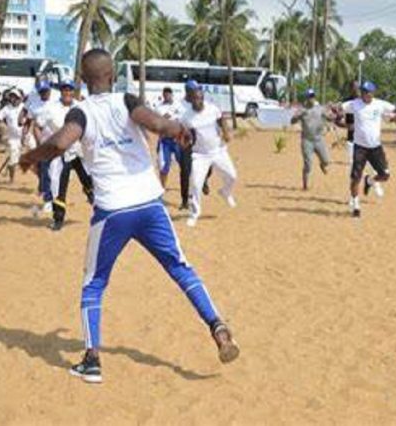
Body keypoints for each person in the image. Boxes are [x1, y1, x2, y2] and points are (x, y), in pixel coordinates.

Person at [19, 49, 239, 384]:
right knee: (181, 268)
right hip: (150, 203)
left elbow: (61, 144)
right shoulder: (126, 100)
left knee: (94, 284)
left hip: (113, 211)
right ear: (111, 76)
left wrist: (30, 156)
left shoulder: (81, 112)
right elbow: (158, 124)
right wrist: (177, 127)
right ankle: (217, 326)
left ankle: (92, 360)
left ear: (83, 77)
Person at [334, 81, 396, 218]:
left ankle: (370, 181)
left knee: (385, 175)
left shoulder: (380, 104)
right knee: (355, 178)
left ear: (373, 92)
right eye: (364, 92)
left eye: (369, 92)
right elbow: (337, 108)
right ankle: (355, 205)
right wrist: (338, 115)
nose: (366, 94)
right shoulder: (354, 104)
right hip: (359, 147)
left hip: (375, 148)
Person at [38, 80, 93, 231]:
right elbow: (38, 124)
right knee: (58, 185)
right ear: (61, 92)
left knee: (90, 180)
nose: (67, 93)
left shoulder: (82, 107)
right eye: (65, 90)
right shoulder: (51, 108)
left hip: (80, 150)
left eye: (70, 90)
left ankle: (99, 208)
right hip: (61, 151)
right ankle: (58, 218)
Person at [180, 81, 237, 228]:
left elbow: (221, 119)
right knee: (196, 184)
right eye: (195, 96)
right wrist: (184, 143)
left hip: (218, 150)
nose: (199, 99)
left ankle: (225, 192)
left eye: (200, 95)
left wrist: (226, 133)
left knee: (232, 176)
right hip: (200, 155)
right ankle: (194, 214)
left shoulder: (213, 109)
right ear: (190, 98)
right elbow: (183, 136)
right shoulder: (186, 117)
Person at [290, 88, 334, 190]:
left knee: (327, 161)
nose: (311, 99)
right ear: (306, 98)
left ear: (314, 97)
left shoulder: (320, 108)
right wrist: (296, 117)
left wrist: (333, 116)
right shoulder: (302, 109)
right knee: (308, 164)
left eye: (312, 96)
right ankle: (305, 185)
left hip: (319, 139)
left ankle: (322, 165)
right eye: (309, 97)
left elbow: (329, 117)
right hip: (307, 140)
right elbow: (292, 121)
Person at [24, 79, 55, 212]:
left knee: (56, 172)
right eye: (42, 91)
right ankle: (48, 199)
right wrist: (24, 135)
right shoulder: (34, 106)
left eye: (46, 90)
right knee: (45, 170)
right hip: (42, 143)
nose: (45, 93)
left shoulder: (57, 101)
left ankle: (53, 195)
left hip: (59, 141)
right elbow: (29, 122)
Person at [155, 87, 184, 190]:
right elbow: (158, 122)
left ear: (172, 95)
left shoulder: (179, 106)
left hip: (177, 140)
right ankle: (162, 188)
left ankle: (188, 188)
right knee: (164, 166)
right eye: (165, 95)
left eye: (168, 94)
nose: (166, 96)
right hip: (164, 141)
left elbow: (182, 120)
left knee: (184, 165)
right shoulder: (159, 108)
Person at [0, 89, 25, 184]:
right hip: (13, 138)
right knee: (13, 159)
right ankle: (12, 178)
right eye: (12, 97)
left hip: (26, 136)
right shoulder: (6, 109)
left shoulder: (25, 107)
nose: (14, 99)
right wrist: (2, 130)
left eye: (16, 97)